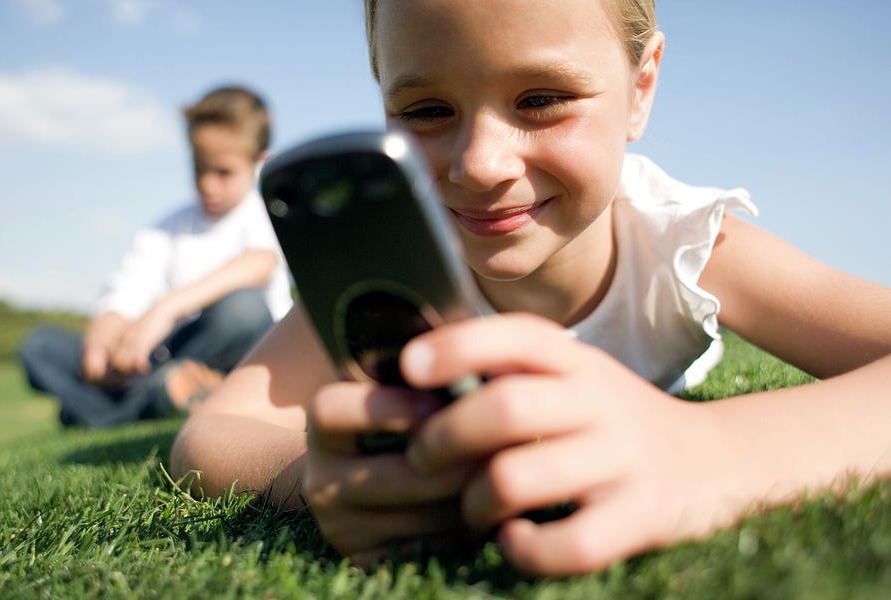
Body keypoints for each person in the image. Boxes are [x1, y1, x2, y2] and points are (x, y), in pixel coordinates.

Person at [169, 0, 891, 576]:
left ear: (641, 88)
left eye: (542, 98)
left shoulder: (683, 240)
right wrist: (316, 474)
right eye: (426, 111)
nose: (480, 165)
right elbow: (210, 437)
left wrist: (712, 449)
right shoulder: (397, 272)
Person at [21, 85, 292, 428]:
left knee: (243, 311)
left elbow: (259, 263)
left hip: (244, 354)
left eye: (223, 172)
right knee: (40, 346)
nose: (208, 185)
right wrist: (104, 337)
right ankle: (165, 393)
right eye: (199, 168)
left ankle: (112, 408)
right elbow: (128, 289)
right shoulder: (166, 229)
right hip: (161, 356)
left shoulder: (265, 212)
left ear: (259, 163)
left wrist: (166, 309)